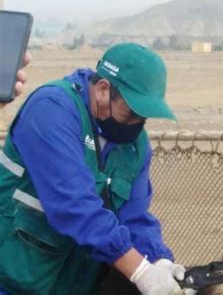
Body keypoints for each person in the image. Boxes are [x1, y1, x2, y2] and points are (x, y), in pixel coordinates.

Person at [0, 43, 185, 294]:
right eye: (131, 112)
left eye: (144, 116)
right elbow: (74, 206)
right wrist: (140, 271)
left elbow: (135, 216)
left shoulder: (134, 146)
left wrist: (157, 260)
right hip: (13, 278)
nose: (137, 124)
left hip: (72, 284)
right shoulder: (52, 109)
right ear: (103, 89)